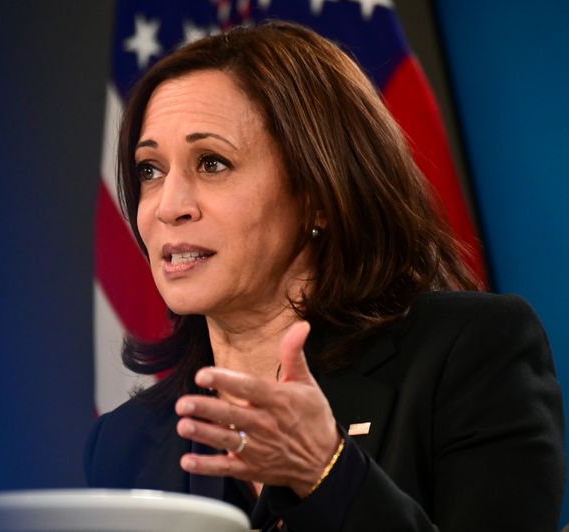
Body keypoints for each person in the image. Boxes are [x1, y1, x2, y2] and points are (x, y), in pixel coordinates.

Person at [84, 21, 564, 531]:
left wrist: (326, 472)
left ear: (319, 195)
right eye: (150, 170)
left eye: (212, 163)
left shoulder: (468, 352)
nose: (167, 206)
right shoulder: (123, 443)